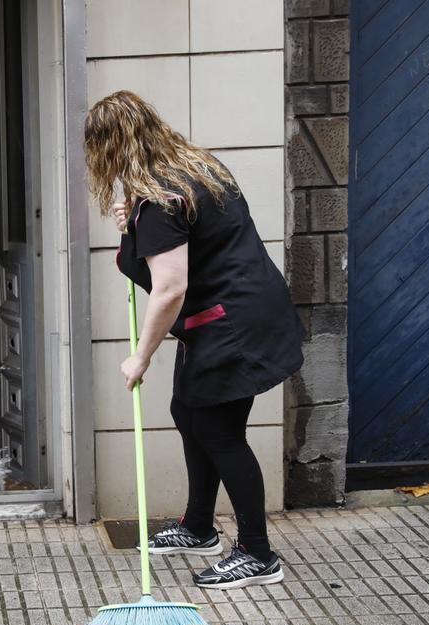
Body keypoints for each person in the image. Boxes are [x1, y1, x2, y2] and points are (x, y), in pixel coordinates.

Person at [84, 91, 304, 590]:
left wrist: (140, 357)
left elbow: (169, 289)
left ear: (110, 148)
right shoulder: (195, 169)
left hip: (231, 325)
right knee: (191, 413)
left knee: (220, 432)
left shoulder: (160, 200)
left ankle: (256, 553)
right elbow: (166, 253)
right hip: (243, 311)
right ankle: (199, 527)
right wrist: (130, 230)